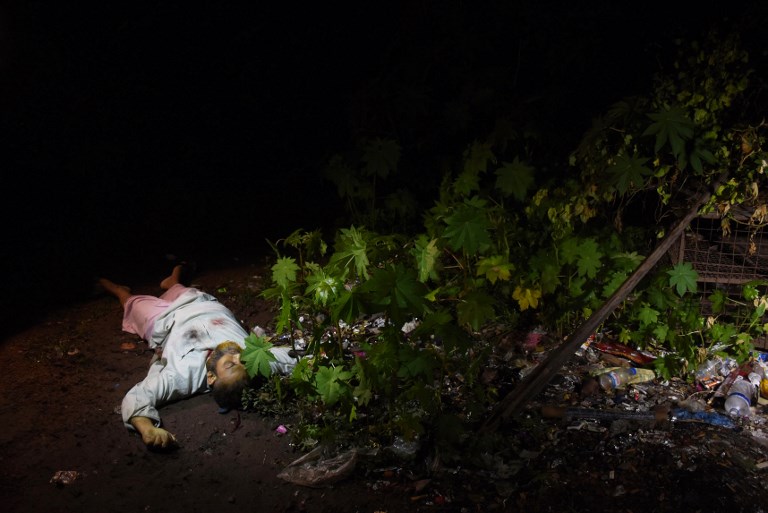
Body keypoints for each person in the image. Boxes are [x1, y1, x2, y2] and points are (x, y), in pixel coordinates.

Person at [99, 263, 297, 449]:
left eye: (230, 365)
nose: (238, 356)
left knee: (133, 303)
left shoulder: (184, 376)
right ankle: (172, 280)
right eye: (243, 361)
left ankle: (115, 288)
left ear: (211, 377)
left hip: (163, 321)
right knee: (176, 287)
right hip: (198, 301)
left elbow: (138, 396)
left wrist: (147, 428)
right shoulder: (253, 358)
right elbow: (294, 358)